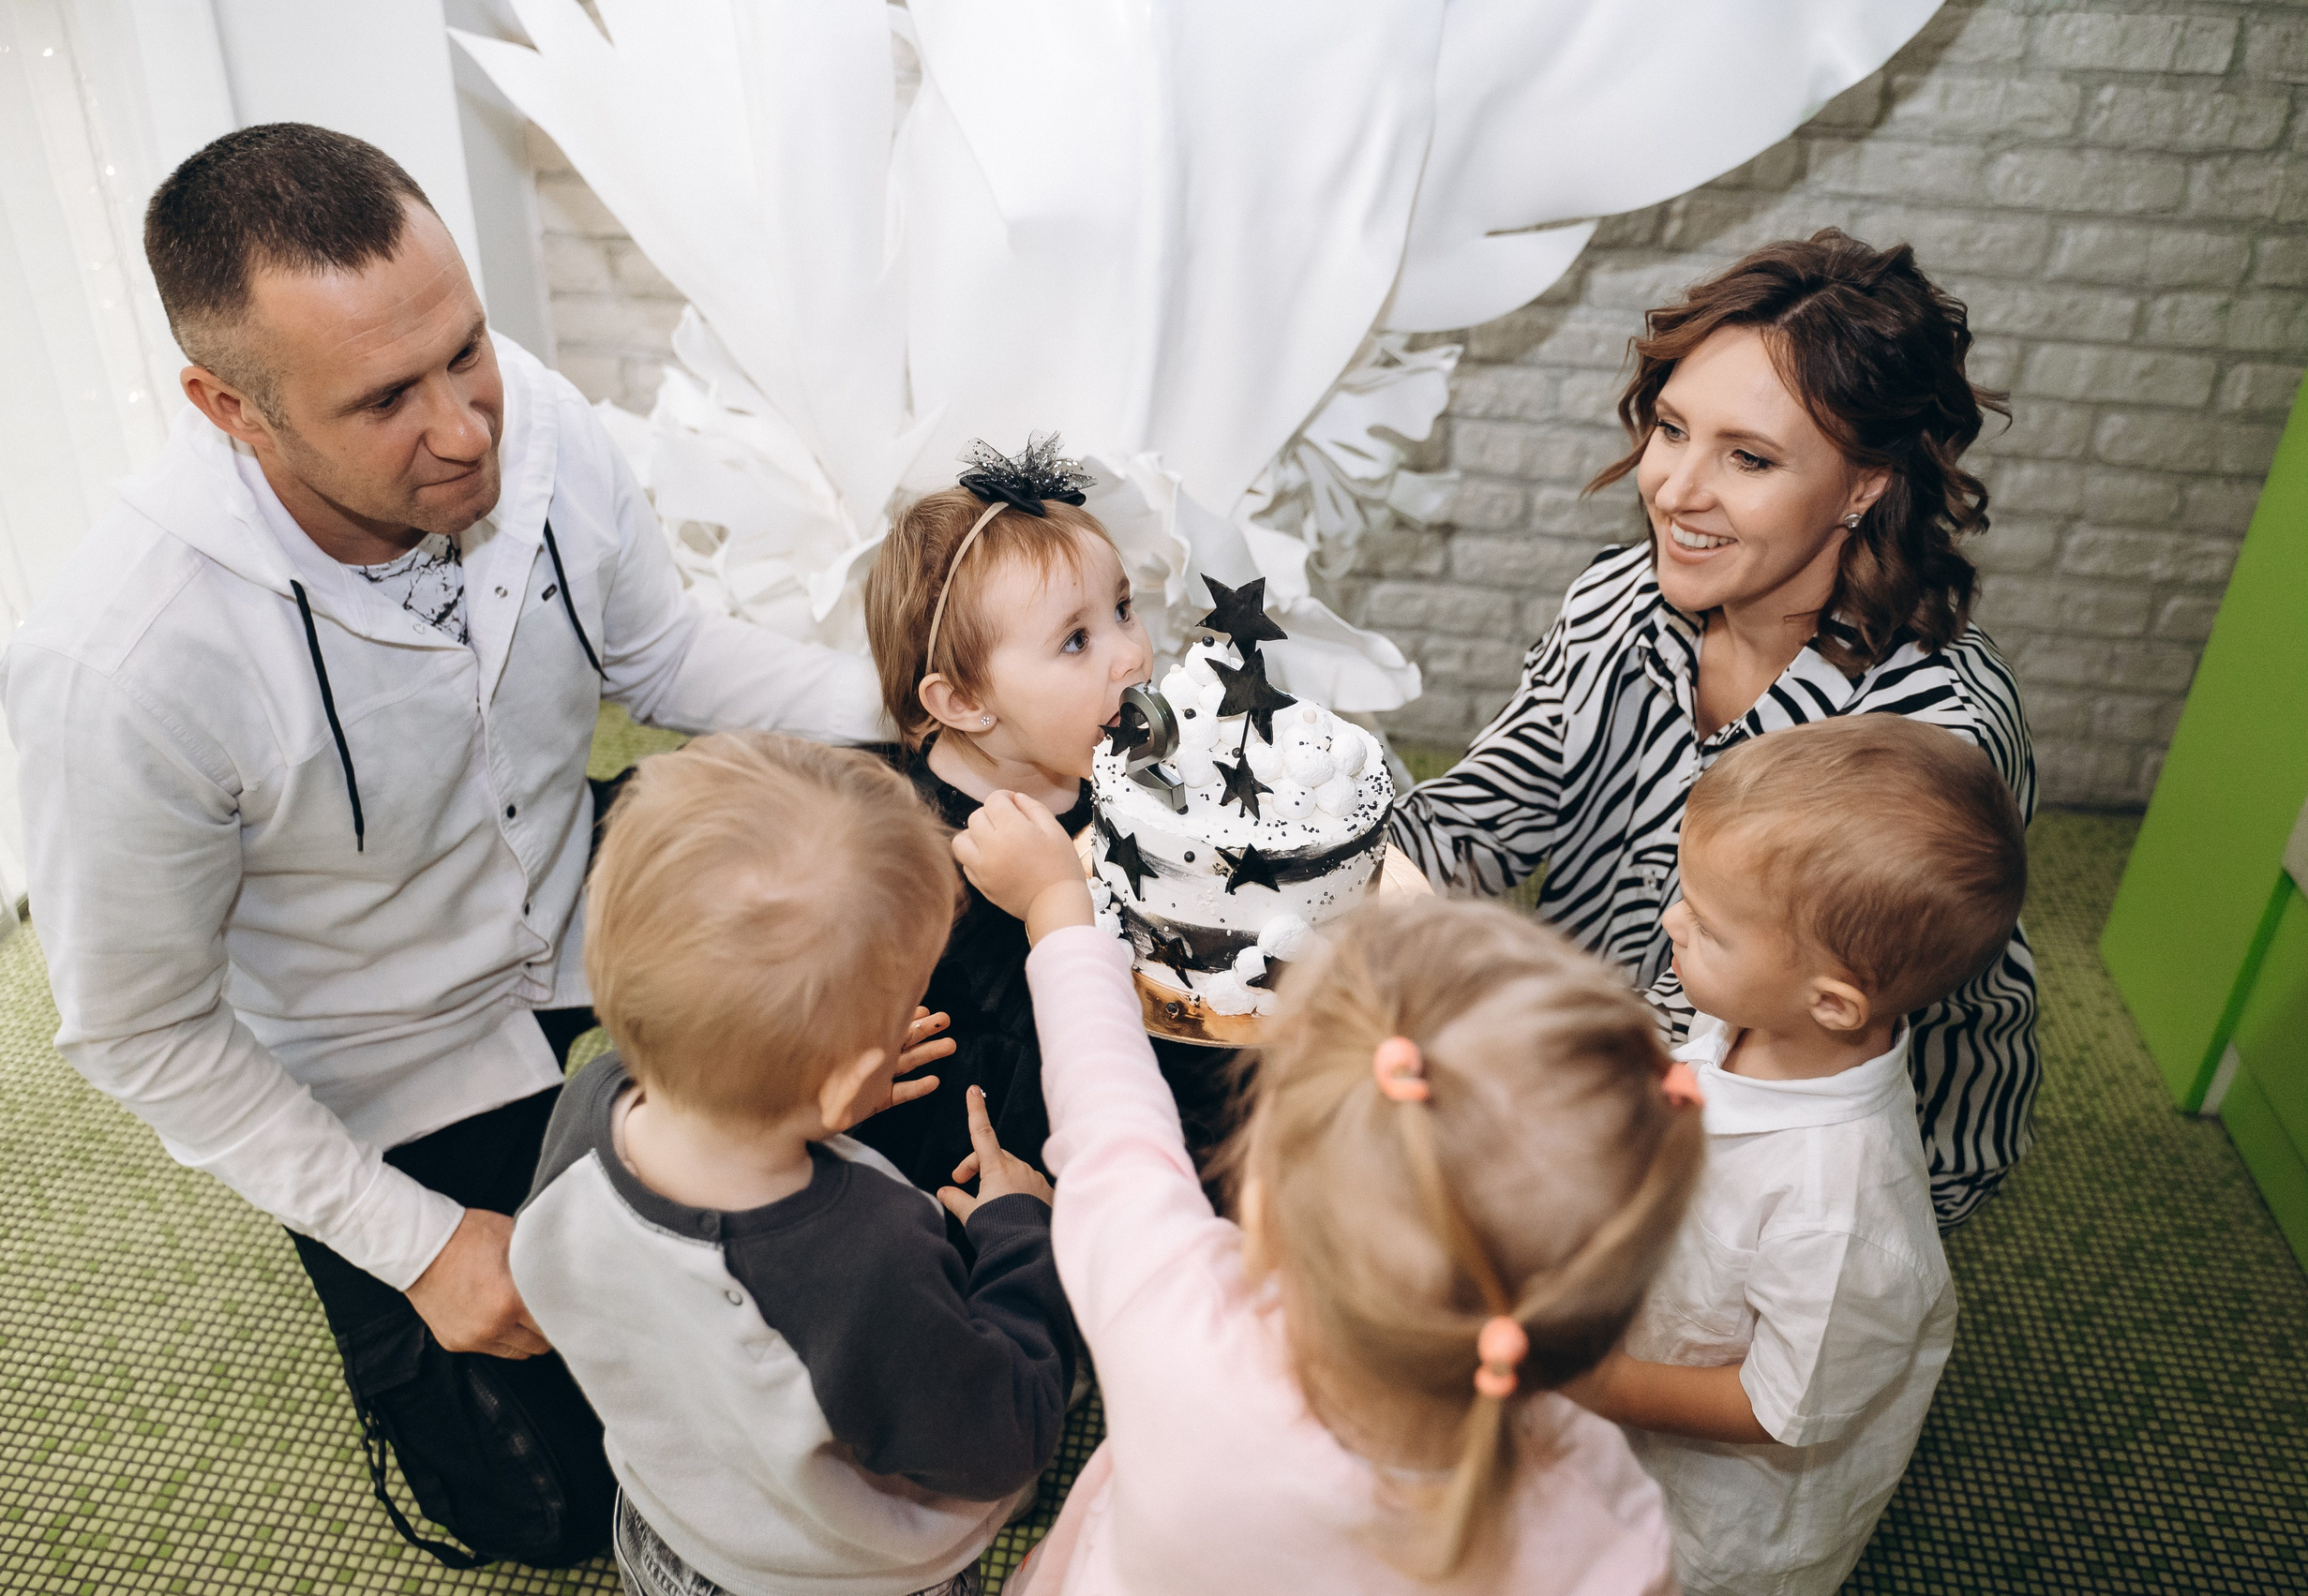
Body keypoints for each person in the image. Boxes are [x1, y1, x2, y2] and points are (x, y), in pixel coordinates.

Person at [0, 124, 885, 1567]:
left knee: (910, 1010)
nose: (470, 425)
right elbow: (138, 1027)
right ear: (230, 406)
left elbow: (663, 660)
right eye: (387, 399)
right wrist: (415, 1241)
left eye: (466, 348)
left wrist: (925, 706)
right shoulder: (118, 665)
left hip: (587, 909)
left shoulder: (529, 418)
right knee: (552, 1505)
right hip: (386, 1056)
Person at [1389, 229, 2035, 1231]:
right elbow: (1480, 816)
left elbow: (1825, 1035)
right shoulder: (1615, 600)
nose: (1675, 490)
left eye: (1749, 457)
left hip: (1784, 1160)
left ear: (1864, 485)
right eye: (1673, 429)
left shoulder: (1934, 735)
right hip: (1582, 1067)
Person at [954, 790, 1700, 1595]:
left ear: (1261, 1200)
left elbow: (1109, 1118)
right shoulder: (1611, 1525)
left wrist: (1057, 904)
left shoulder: (1174, 1329)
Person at [514, 733, 1076, 1596]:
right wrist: (1018, 1233)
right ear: (849, 1077)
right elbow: (1003, 1432)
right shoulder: (867, 1254)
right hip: (844, 1574)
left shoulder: (590, 1107)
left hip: (671, 1528)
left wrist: (799, 1099)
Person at [1567, 716, 2024, 1594]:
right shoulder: (1750, 1018)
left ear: (1834, 1002)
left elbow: (1773, 1408)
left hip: (1727, 1523)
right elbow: (1695, 1094)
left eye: (1709, 924)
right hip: (1652, 1371)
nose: (1672, 919)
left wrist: (1598, 1381)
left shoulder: (1842, 1211)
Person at [857, 438, 1198, 1198]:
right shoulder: (902, 863)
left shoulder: (1125, 773)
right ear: (964, 703)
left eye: (1122, 609)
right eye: (1076, 640)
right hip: (1002, 1146)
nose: (1132, 657)